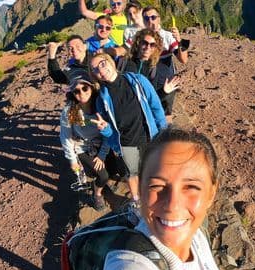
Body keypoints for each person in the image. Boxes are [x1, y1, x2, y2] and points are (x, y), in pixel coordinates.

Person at [99, 125, 222, 270]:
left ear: (211, 194)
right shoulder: (130, 266)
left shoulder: (198, 234)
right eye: (157, 186)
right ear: (140, 190)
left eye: (191, 187)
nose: (172, 205)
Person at [89, 53, 167, 203]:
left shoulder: (137, 81)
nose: (101, 70)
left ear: (111, 62)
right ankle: (138, 202)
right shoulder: (101, 100)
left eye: (102, 64)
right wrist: (105, 129)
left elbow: (156, 107)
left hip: (150, 136)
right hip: (126, 145)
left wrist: (163, 132)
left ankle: (158, 198)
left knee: (155, 170)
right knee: (132, 173)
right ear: (94, 75)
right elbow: (110, 133)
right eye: (95, 69)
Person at [59, 70, 109, 211]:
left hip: (102, 145)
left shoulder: (101, 106)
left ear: (92, 87)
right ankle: (97, 194)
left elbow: (107, 133)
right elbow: (66, 137)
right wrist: (72, 160)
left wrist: (102, 155)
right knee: (103, 175)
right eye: (76, 91)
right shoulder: (71, 111)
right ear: (72, 94)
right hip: (82, 147)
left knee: (117, 168)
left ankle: (98, 178)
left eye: (85, 88)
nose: (81, 93)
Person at [123, 28, 180, 123]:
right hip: (127, 112)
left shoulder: (157, 69)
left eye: (152, 45)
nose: (147, 47)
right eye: (144, 43)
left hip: (145, 116)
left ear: (156, 48)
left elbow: (154, 99)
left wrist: (164, 92)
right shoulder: (126, 63)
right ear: (138, 43)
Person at [142, 6, 189, 74]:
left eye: (153, 17)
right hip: (147, 78)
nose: (150, 21)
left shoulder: (168, 36)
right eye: (146, 18)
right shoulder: (140, 38)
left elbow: (183, 60)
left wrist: (179, 41)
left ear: (159, 19)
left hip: (165, 79)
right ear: (143, 21)